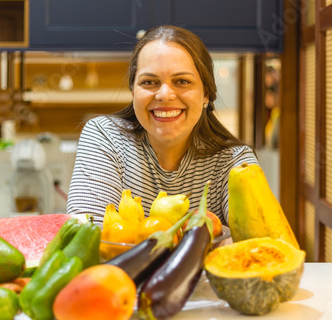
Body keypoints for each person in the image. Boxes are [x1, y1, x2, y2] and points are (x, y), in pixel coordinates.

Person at [67, 25, 258, 226]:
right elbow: (87, 234)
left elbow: (259, 244)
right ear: (133, 92)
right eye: (149, 82)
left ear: (206, 94)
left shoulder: (235, 162)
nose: (165, 95)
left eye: (182, 81)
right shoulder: (104, 136)